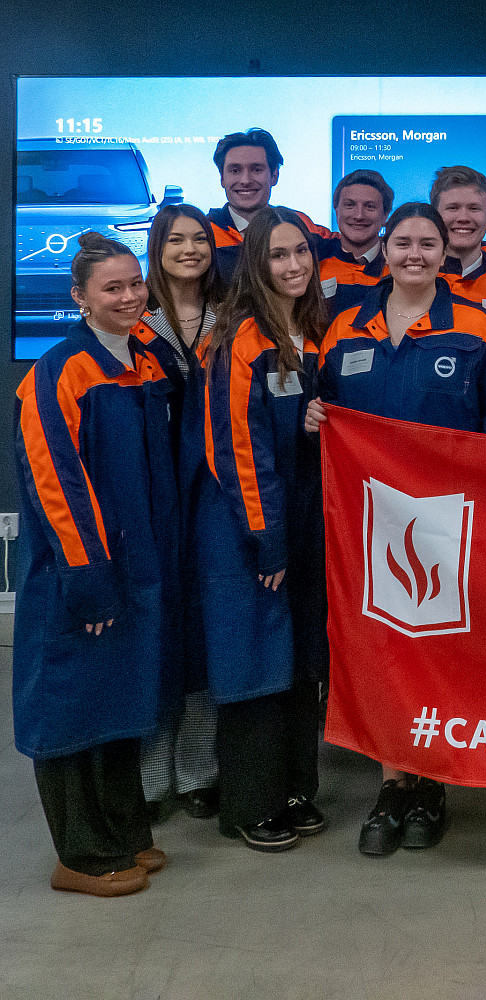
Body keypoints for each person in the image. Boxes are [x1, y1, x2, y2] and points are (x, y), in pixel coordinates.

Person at [306, 201, 486, 855]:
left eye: (427, 243)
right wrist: (314, 416)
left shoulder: (476, 329)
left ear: (444, 253)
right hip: (366, 528)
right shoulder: (345, 327)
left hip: (447, 527)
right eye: (403, 243)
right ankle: (391, 785)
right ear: (386, 249)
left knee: (439, 659)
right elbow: (325, 409)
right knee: (382, 658)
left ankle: (432, 786)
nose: (415, 254)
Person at [13, 232, 179, 895]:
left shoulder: (144, 360)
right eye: (113, 288)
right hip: (79, 577)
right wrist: (89, 579)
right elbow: (57, 485)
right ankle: (80, 857)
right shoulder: (58, 373)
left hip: (136, 570)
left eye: (135, 283)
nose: (130, 296)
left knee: (119, 707)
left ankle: (124, 835)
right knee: (72, 714)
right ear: (79, 298)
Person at [198, 208, 328, 852]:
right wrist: (266, 536)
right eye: (278, 255)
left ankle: (297, 788)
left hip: (307, 526)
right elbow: (234, 451)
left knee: (303, 662)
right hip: (249, 532)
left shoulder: (313, 329)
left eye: (300, 251)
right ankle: (251, 803)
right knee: (255, 665)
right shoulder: (241, 338)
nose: (294, 265)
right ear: (255, 264)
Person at [135, 204, 228, 822]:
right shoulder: (136, 320)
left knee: (202, 635)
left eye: (199, 239)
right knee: (155, 638)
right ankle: (148, 777)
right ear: (157, 248)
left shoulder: (233, 318)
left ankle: (198, 772)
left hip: (213, 494)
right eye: (177, 240)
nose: (190, 250)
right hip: (148, 497)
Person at [207, 129, 331, 275]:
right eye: (235, 170)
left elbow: (352, 247)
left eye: (256, 169)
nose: (245, 180)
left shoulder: (301, 224)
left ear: (274, 175)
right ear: (222, 178)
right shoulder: (204, 232)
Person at [432, 165, 486, 318]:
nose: (463, 218)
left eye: (474, 208)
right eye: (453, 208)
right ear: (434, 218)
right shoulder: (408, 285)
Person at [320, 169, 394, 317]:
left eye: (369, 206)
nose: (359, 215)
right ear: (336, 210)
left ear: (386, 215)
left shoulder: (398, 264)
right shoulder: (315, 256)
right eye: (350, 205)